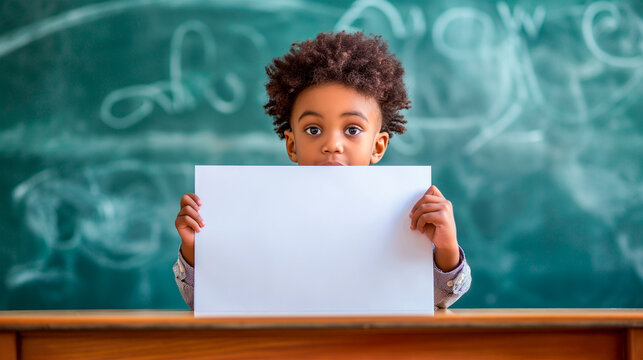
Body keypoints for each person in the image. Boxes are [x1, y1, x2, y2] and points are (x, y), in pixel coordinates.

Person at [173, 31, 471, 310]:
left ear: (378, 147)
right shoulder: (256, 213)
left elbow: (434, 301)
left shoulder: (403, 213)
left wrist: (446, 248)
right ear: (291, 145)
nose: (332, 145)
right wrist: (195, 248)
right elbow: (206, 302)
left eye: (352, 129)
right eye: (313, 129)